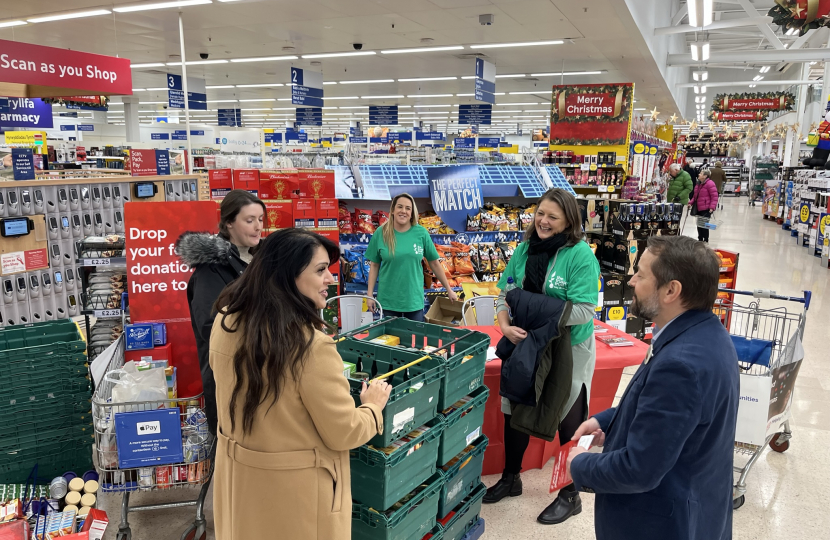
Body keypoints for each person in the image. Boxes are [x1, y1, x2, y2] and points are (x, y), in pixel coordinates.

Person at [210, 228, 393, 540]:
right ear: (286, 276)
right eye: (320, 270)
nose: (331, 279)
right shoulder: (311, 347)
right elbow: (344, 432)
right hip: (300, 498)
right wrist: (372, 408)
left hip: (239, 483)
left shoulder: (226, 320)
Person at [567, 236, 739, 540]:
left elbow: (639, 469)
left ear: (671, 290)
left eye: (642, 274)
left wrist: (580, 466)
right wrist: (607, 420)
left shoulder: (682, 365)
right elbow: (671, 414)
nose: (631, 281)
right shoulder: (706, 333)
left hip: (662, 524)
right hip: (701, 507)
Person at [483, 188, 600, 526]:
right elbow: (506, 293)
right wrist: (505, 324)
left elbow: (583, 310)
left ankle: (570, 494)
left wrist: (533, 317)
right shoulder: (523, 250)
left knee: (568, 418)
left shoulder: (579, 255)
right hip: (524, 343)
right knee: (515, 406)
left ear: (568, 222)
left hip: (569, 350)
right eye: (540, 214)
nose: (544, 221)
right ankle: (511, 477)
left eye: (553, 216)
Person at [176, 190, 266, 435]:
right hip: (230, 376)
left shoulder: (264, 260)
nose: (258, 227)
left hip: (263, 369)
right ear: (229, 223)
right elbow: (211, 325)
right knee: (230, 444)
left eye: (260, 219)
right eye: (249, 220)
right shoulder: (211, 270)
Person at [365, 193, 457, 321]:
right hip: (389, 300)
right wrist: (370, 295)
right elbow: (374, 265)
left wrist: (449, 289)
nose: (403, 211)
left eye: (408, 208)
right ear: (392, 210)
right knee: (392, 340)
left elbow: (435, 263)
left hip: (413, 301)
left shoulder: (421, 233)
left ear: (412, 212)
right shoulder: (381, 233)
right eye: (400, 207)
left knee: (415, 339)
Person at [690, 169, 719, 243]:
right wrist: (690, 203)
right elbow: (695, 196)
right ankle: (700, 239)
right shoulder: (698, 184)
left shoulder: (710, 183)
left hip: (706, 208)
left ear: (705, 176)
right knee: (699, 225)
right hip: (698, 208)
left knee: (705, 225)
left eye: (701, 173)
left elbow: (714, 196)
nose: (699, 174)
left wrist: (712, 207)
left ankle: (705, 240)